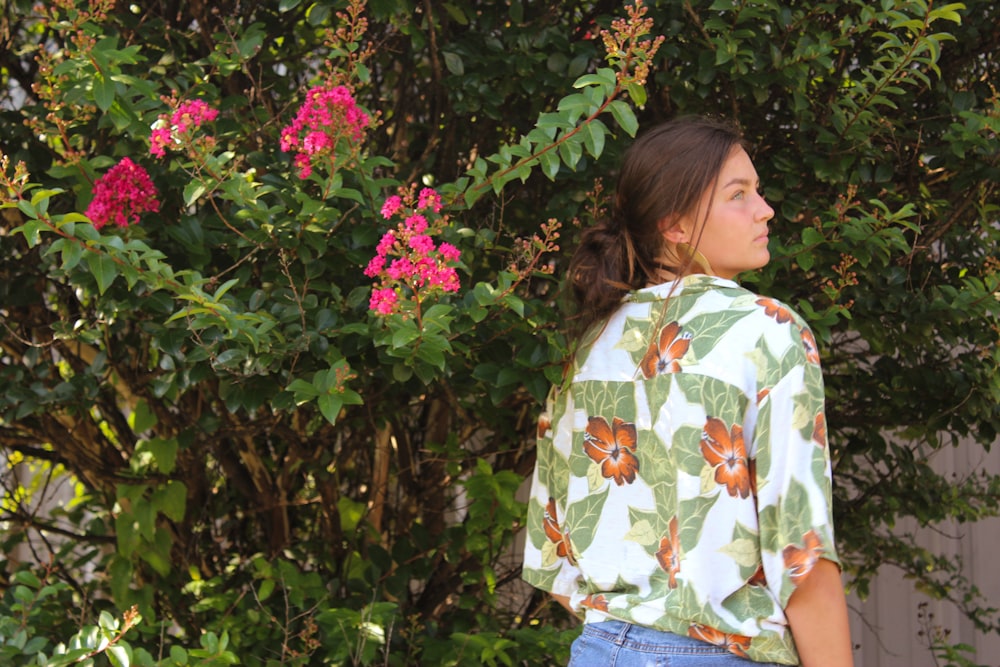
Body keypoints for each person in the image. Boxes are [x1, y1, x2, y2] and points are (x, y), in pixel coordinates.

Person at [521, 116, 854, 666]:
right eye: (738, 195)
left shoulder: (591, 339)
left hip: (600, 650)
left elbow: (553, 553)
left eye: (759, 191)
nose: (765, 209)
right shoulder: (767, 331)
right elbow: (802, 555)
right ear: (674, 227)